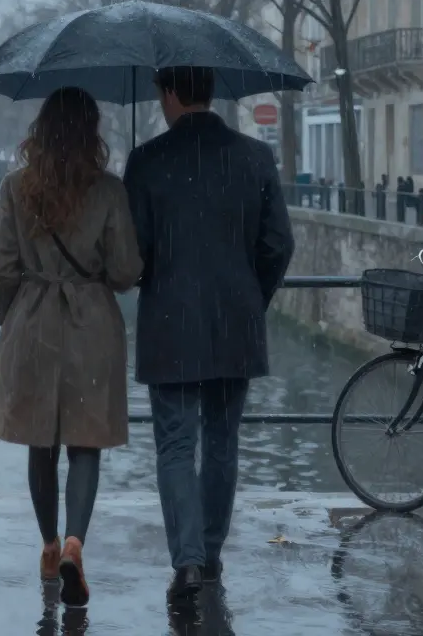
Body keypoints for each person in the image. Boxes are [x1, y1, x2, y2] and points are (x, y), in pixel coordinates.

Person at [123, 66, 294, 602]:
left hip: (171, 323)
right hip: (234, 322)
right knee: (222, 440)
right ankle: (212, 552)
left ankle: (188, 561)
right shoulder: (255, 156)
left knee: (176, 443)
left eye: (161, 93)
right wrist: (249, 297)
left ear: (171, 92)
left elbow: (134, 255)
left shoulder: (147, 160)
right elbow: (278, 245)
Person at [0, 86, 144, 608]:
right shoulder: (109, 191)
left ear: (42, 131)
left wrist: (9, 311)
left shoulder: (15, 188)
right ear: (91, 132)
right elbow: (124, 271)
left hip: (31, 320)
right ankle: (77, 541)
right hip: (91, 326)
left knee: (40, 443)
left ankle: (50, 546)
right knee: (85, 441)